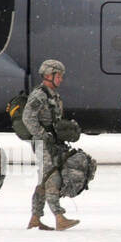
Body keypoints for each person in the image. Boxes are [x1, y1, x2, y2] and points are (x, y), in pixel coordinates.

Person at [23, 59, 80, 231]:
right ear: (49, 75)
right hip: (43, 143)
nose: (61, 79)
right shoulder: (39, 95)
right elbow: (28, 118)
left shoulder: (52, 95)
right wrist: (42, 135)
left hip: (52, 142)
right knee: (52, 178)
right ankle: (59, 217)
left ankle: (35, 218)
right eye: (59, 76)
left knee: (44, 180)